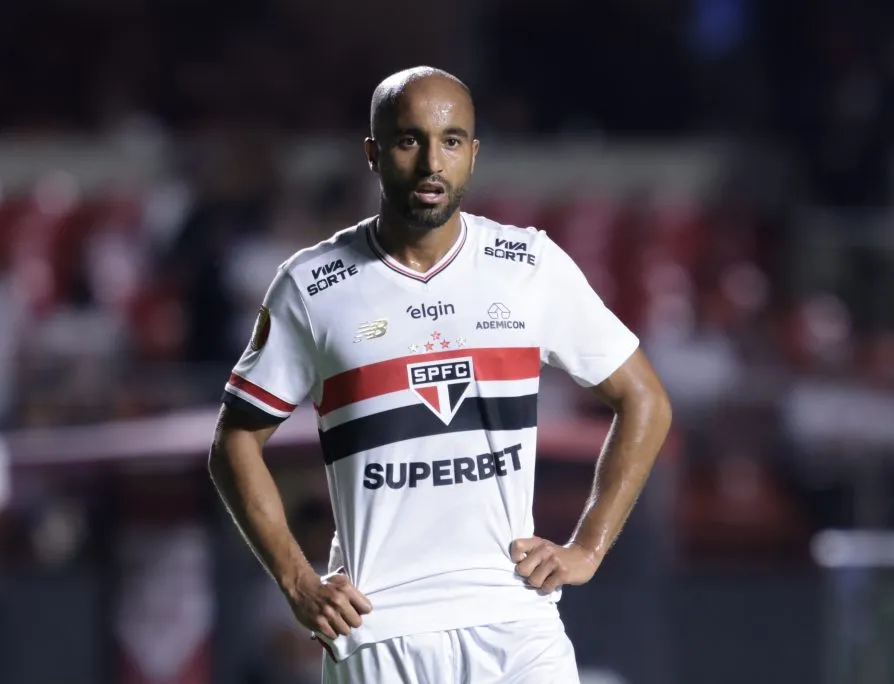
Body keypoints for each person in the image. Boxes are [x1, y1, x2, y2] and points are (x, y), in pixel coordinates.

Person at [208, 66, 673, 684]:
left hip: (516, 620)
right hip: (379, 630)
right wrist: (297, 580)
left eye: (452, 141)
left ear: (473, 155)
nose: (432, 161)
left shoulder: (528, 265)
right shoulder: (312, 286)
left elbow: (645, 399)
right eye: (409, 140)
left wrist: (588, 546)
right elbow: (234, 441)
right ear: (374, 154)